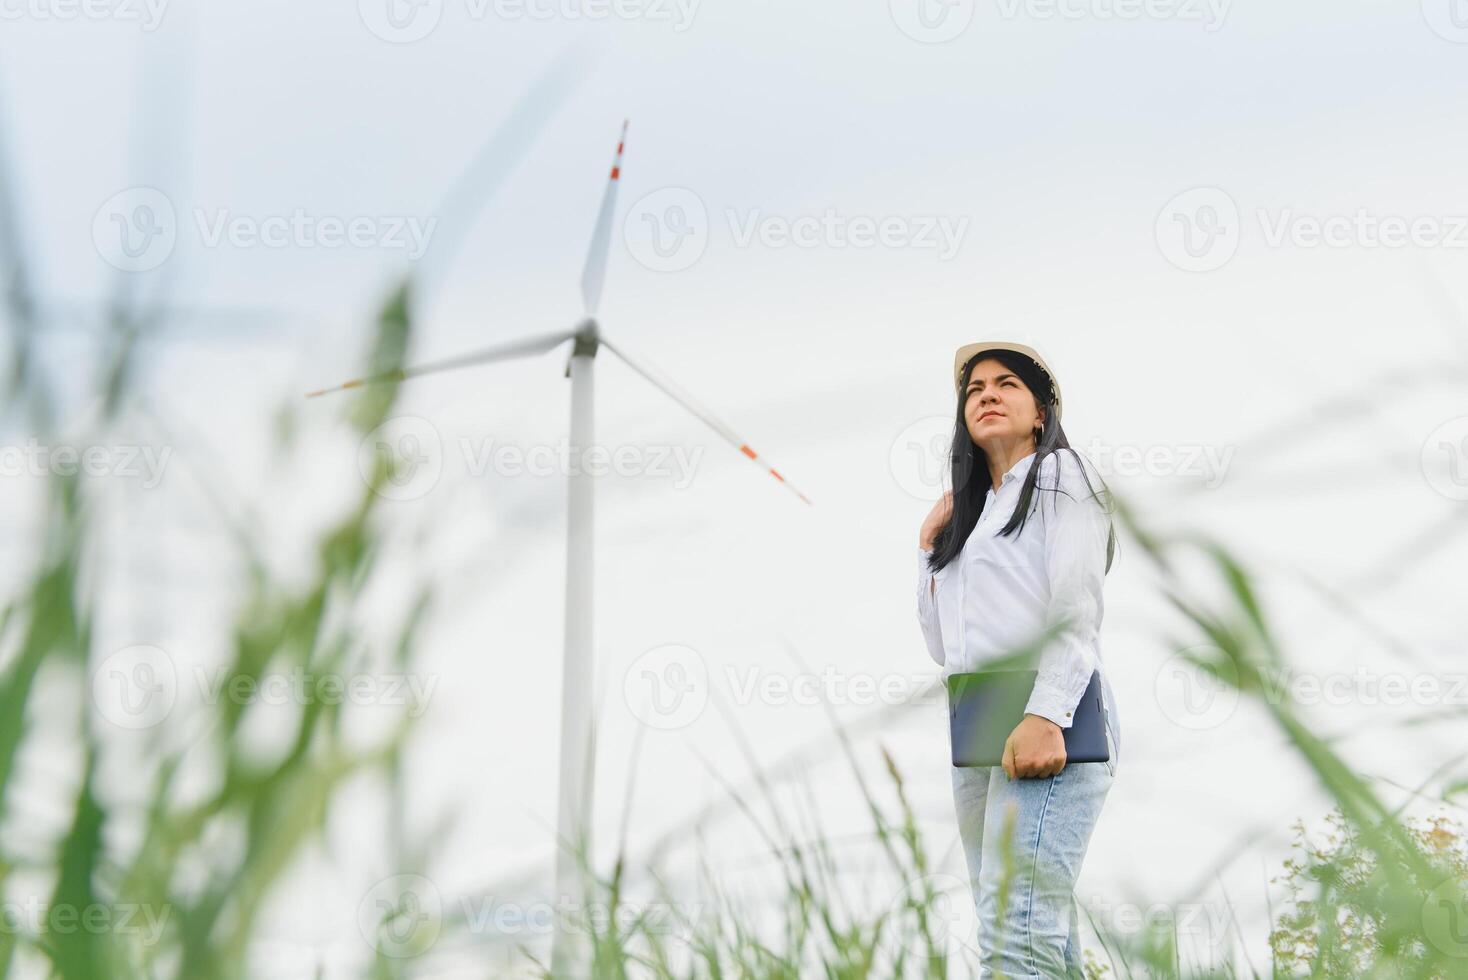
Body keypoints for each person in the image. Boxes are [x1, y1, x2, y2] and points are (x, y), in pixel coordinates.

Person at [915, 341, 1120, 979]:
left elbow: (1075, 603)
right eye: (974, 390)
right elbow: (945, 646)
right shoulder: (967, 520)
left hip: (1046, 716)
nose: (987, 396)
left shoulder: (1061, 477)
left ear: (1040, 412)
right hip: (978, 724)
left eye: (1006, 385)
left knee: (1016, 939)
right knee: (1030, 937)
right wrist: (929, 551)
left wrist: (1047, 713)